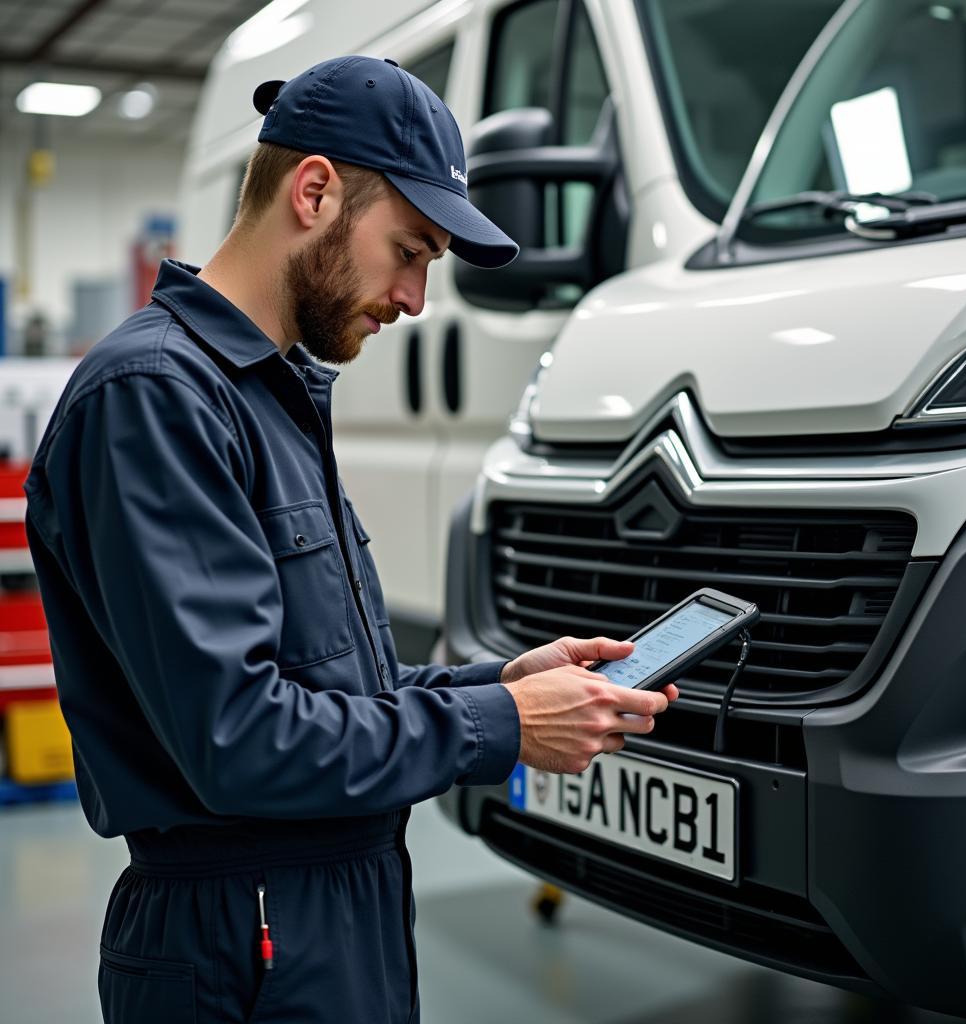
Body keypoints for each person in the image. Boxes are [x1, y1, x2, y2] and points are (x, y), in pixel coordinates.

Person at [23, 56, 678, 1024]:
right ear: (316, 190)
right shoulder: (157, 400)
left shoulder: (271, 399)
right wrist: (500, 729)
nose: (414, 298)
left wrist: (497, 685)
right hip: (243, 932)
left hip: (322, 910)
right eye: (408, 250)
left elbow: (326, 692)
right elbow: (239, 739)